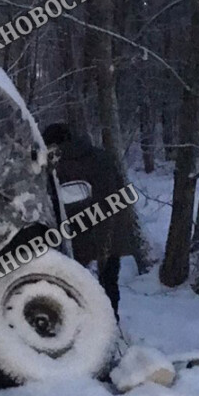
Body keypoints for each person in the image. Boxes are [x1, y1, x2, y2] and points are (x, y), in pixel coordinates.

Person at [42, 122, 139, 319]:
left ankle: (86, 329)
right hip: (112, 234)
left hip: (80, 239)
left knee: (75, 289)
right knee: (109, 285)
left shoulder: (56, 166)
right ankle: (112, 325)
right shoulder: (101, 156)